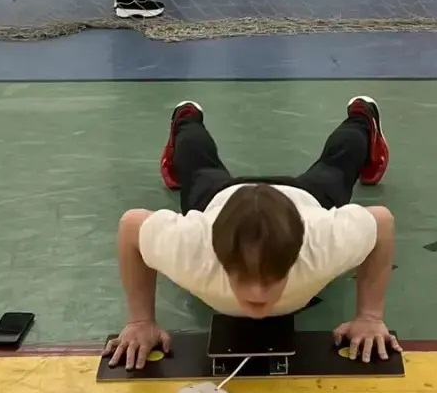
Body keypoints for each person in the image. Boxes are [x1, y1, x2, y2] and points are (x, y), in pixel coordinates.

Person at [104, 97, 397, 368]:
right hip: (221, 199)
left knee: (337, 166)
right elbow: (131, 227)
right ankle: (186, 118)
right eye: (243, 275)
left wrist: (369, 317)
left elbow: (382, 223)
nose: (258, 294)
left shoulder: (322, 242)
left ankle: (362, 118)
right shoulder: (193, 247)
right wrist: (140, 322)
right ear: (217, 254)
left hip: (303, 199)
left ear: (296, 254)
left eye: (272, 276)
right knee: (197, 165)